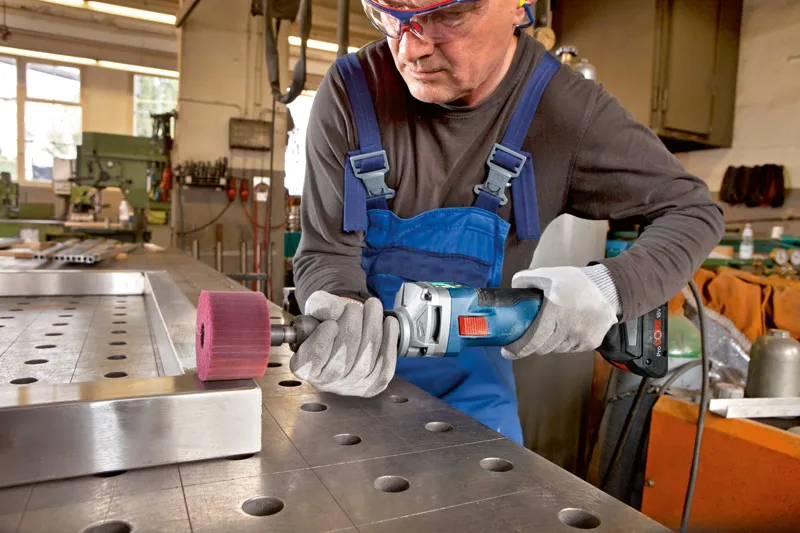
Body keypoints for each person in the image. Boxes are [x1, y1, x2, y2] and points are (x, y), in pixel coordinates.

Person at [291, 0, 724, 444]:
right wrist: (340, 321)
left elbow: (693, 210)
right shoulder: (352, 89)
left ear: (520, 6)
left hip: (474, 405)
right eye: (389, 13)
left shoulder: (564, 111)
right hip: (352, 390)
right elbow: (327, 251)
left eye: (446, 17)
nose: (410, 50)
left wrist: (610, 288)